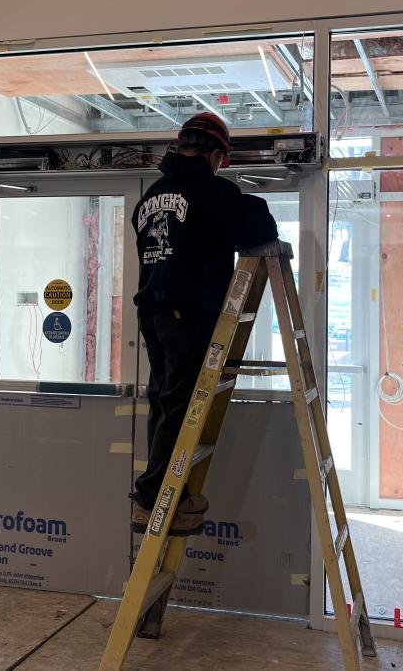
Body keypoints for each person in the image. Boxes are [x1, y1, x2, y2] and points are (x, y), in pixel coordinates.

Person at [131, 112, 278, 536]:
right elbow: (259, 228)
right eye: (221, 160)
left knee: (164, 402)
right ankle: (153, 499)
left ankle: (162, 497)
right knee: (179, 405)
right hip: (187, 315)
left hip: (152, 314)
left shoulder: (150, 197)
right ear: (214, 155)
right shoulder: (213, 193)